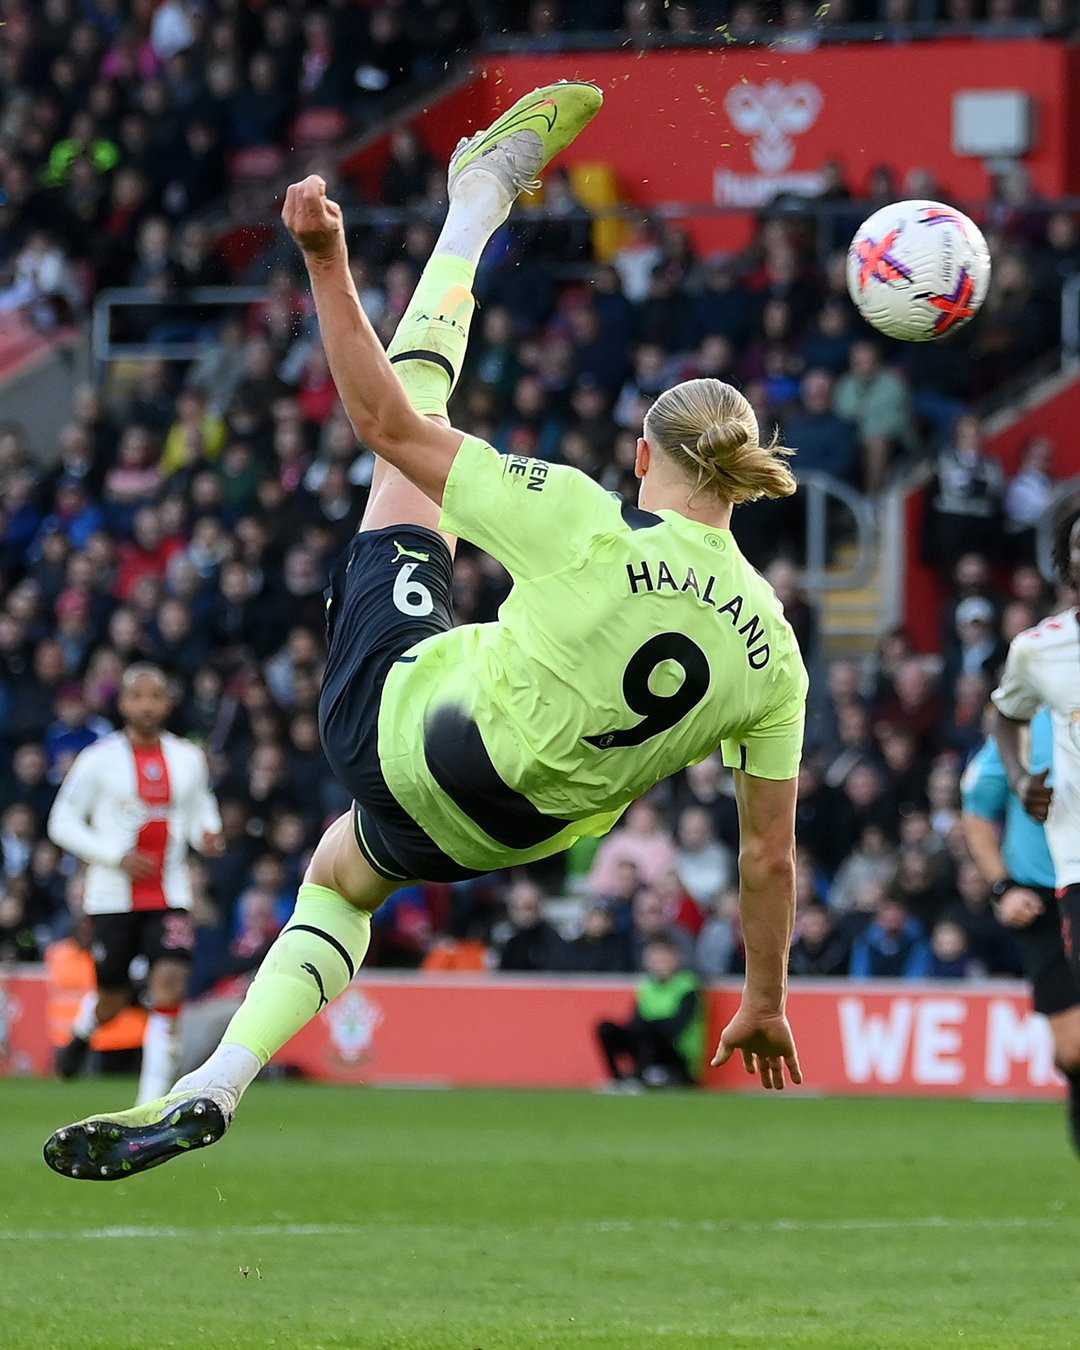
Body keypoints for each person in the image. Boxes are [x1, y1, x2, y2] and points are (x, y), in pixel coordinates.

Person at [45, 81, 806, 1182]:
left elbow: (380, 424)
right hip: (505, 837)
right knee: (343, 874)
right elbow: (767, 855)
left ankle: (474, 204)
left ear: (646, 458)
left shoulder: (587, 521)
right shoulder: (775, 656)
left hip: (404, 728)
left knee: (415, 441)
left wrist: (321, 262)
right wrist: (766, 1000)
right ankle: (214, 1082)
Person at [45, 663, 224, 1106]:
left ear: (168, 703)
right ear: (123, 703)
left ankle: (149, 1104)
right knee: (113, 997)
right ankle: (83, 1033)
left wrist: (209, 831)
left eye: (155, 696)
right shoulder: (98, 759)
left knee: (170, 983)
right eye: (137, 696)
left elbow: (202, 806)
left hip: (172, 893)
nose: (147, 705)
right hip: (111, 898)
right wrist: (114, 855)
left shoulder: (187, 757)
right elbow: (61, 821)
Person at [961, 706, 1080, 1151]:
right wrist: (1003, 887)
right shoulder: (1026, 731)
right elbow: (977, 811)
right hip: (1043, 899)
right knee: (1074, 1050)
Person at [595, 935, 703, 1089]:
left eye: (664, 958)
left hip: (677, 1055)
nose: (659, 963)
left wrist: (650, 1025)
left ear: (676, 959)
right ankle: (617, 1078)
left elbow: (677, 1027)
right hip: (647, 1045)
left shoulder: (688, 987)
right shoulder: (646, 986)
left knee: (647, 1028)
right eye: (655, 959)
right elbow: (634, 1022)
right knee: (606, 1028)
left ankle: (641, 1077)